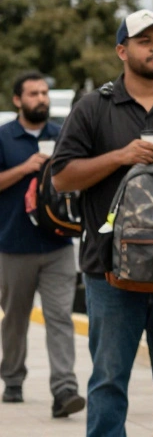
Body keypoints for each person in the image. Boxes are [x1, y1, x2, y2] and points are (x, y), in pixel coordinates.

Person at [51, 10, 153, 436]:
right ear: (123, 51)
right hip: (110, 274)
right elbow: (63, 176)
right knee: (108, 382)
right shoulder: (93, 108)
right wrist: (120, 157)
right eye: (145, 40)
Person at [0, 72, 83, 417]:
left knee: (60, 317)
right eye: (33, 94)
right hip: (13, 246)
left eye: (45, 93)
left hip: (58, 246)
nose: (41, 99)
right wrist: (25, 168)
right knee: (15, 318)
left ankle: (64, 389)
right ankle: (13, 378)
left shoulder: (63, 135)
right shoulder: (4, 137)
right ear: (18, 100)